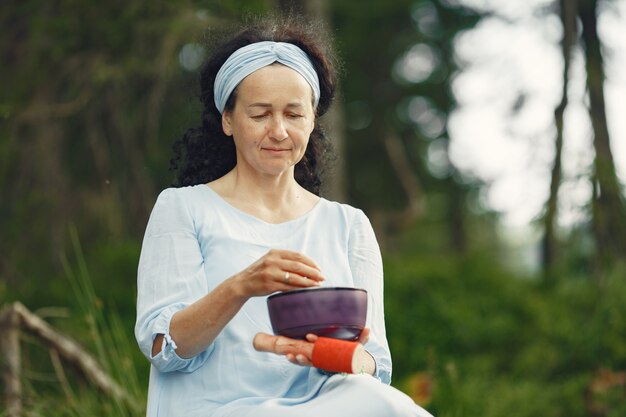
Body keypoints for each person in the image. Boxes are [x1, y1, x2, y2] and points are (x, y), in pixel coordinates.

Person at [134, 16, 434, 417]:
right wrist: (241, 286)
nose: (278, 131)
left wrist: (331, 354)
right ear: (227, 119)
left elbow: (375, 365)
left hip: (322, 406)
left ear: (312, 120)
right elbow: (164, 350)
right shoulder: (183, 208)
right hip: (218, 410)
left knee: (392, 407)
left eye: (294, 114)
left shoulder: (348, 226)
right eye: (260, 114)